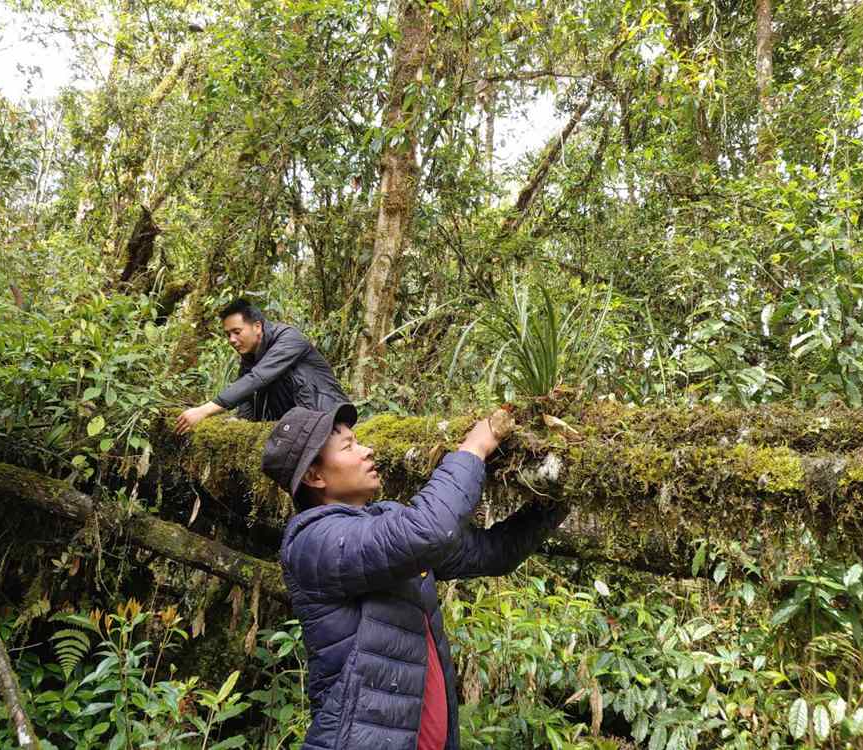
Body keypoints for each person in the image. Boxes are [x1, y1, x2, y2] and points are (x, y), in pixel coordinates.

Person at [261, 403, 569, 750]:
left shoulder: (382, 523)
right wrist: (472, 450)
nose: (367, 450)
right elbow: (429, 531)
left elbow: (493, 553)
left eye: (358, 441)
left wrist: (559, 498)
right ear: (315, 477)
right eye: (348, 447)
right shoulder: (314, 542)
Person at [174, 299, 348, 433]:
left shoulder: (288, 338)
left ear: (257, 326)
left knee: (266, 376)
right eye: (228, 335)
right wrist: (242, 422)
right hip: (293, 425)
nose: (231, 340)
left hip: (328, 416)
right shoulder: (251, 354)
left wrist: (204, 410)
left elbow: (256, 379)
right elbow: (246, 392)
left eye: (237, 332)